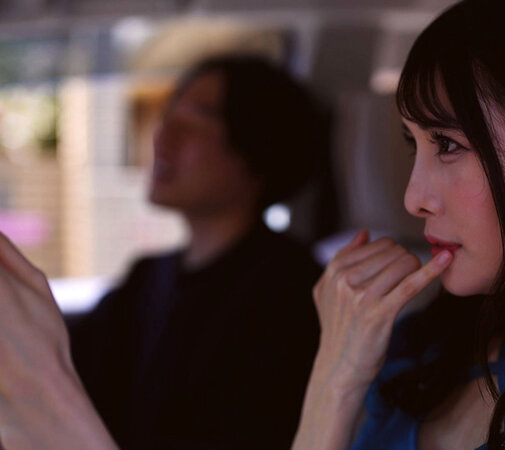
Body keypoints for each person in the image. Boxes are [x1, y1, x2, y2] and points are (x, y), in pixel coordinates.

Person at [0, 1, 505, 449]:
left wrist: (55, 415)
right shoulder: (433, 340)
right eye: (412, 145)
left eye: (449, 146)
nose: (412, 197)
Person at [66, 54, 327, 449]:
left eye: (195, 122)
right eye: (168, 117)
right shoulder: (146, 277)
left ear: (256, 148)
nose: (163, 137)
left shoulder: (295, 294)